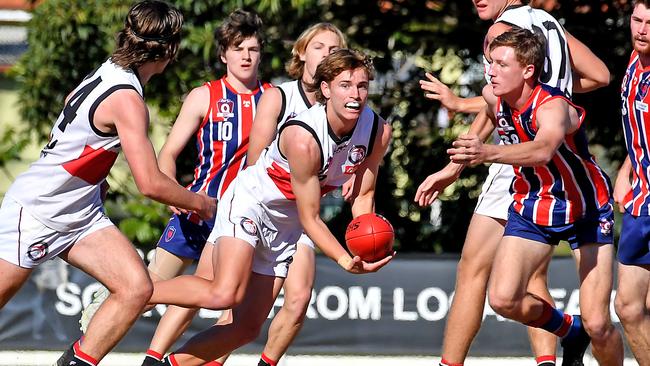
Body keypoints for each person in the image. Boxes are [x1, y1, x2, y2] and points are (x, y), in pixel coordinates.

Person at [0, 2, 216, 366]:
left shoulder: (110, 70)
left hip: (80, 215)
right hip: (36, 212)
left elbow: (73, 106)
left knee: (136, 288)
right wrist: (203, 203)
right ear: (170, 50)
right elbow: (150, 184)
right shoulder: (128, 99)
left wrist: (90, 177)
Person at [148, 48, 393, 366]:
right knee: (225, 293)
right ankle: (139, 289)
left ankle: (167, 364)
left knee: (245, 329)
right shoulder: (303, 137)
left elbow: (363, 196)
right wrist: (346, 260)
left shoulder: (377, 130)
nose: (356, 94)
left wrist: (365, 241)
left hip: (286, 223)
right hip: (252, 202)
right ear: (326, 89)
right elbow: (311, 216)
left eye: (362, 86)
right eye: (345, 85)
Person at [414, 1, 610, 365]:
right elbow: (599, 76)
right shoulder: (549, 22)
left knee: (473, 271)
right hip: (564, 159)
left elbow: (503, 99)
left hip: (522, 159)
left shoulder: (500, 32)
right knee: (532, 276)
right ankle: (553, 355)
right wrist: (555, 101)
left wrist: (457, 165)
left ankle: (450, 363)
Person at [244, 22, 347, 366]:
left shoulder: (347, 104)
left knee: (299, 299)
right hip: (265, 206)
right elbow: (255, 159)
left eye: (335, 50)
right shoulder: (279, 96)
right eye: (319, 47)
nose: (327, 55)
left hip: (304, 215)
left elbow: (355, 161)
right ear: (302, 52)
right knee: (238, 307)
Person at [613, 1, 650, 364]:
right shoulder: (634, 64)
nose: (642, 29)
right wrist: (626, 170)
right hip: (640, 205)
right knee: (627, 306)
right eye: (637, 20)